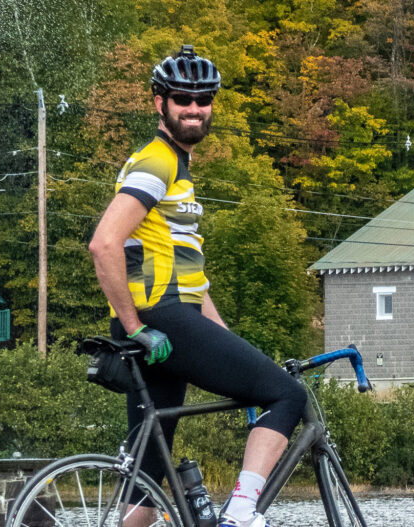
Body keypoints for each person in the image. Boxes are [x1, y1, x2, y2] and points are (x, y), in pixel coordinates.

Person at [89, 45, 305, 527]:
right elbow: (104, 245)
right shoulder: (158, 162)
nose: (194, 108)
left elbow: (192, 281)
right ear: (158, 103)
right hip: (159, 320)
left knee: (149, 469)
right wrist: (135, 326)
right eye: (182, 98)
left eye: (203, 99)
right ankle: (242, 511)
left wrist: (228, 340)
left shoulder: (176, 171)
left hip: (166, 321)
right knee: (287, 395)